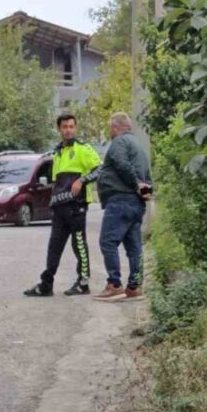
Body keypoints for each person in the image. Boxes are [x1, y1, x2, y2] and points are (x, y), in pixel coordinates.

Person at [24, 113, 102, 297]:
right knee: (54, 246)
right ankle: (46, 284)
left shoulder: (83, 149)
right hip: (59, 207)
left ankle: (83, 282)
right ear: (59, 129)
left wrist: (82, 180)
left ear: (75, 128)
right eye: (64, 127)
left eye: (71, 126)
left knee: (79, 244)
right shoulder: (57, 152)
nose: (68, 130)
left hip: (77, 205)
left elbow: (100, 168)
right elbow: (58, 182)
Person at [93, 113, 153, 302]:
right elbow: (147, 176)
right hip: (136, 204)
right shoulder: (139, 147)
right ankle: (134, 287)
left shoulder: (119, 142)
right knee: (134, 247)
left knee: (107, 241)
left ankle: (114, 284)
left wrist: (135, 184)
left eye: (111, 128)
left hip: (120, 200)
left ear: (117, 127)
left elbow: (121, 164)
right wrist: (145, 190)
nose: (110, 132)